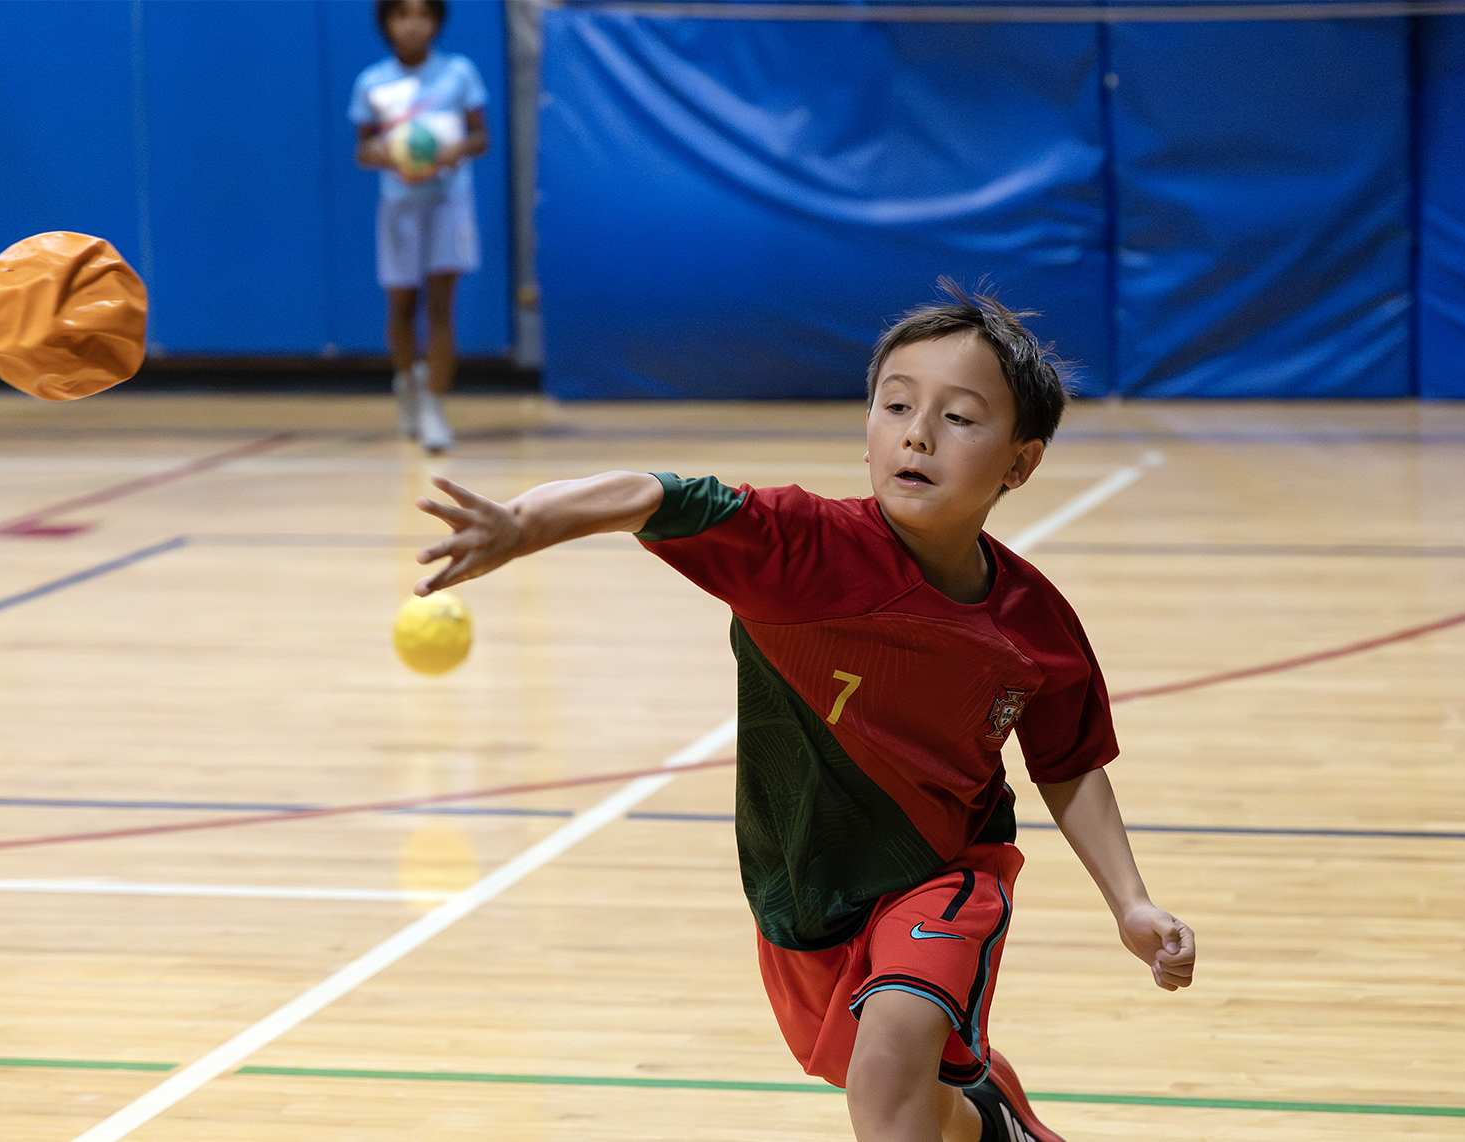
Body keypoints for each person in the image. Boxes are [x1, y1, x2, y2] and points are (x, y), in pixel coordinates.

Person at [409, 285, 1197, 1142]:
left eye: (959, 418)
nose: (917, 433)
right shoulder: (800, 549)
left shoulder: (1034, 625)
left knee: (892, 1056)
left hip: (946, 872)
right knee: (892, 1092)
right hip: (803, 903)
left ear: (1021, 461)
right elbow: (654, 494)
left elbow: (1071, 763)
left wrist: (1131, 904)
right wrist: (524, 521)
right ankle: (986, 1121)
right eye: (895, 405)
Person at [350, 0, 488, 452]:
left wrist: (454, 151)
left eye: (423, 15)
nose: (412, 25)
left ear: (437, 22)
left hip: (449, 201)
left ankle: (434, 405)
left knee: (442, 305)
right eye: (402, 15)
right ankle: (406, 380)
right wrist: (387, 155)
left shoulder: (459, 74)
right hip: (400, 206)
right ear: (386, 22)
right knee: (403, 305)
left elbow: (479, 137)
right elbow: (364, 150)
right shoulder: (372, 82)